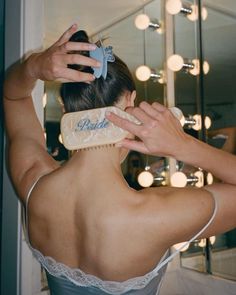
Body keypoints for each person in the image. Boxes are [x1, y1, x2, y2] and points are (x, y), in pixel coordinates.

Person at [3, 24, 236, 295]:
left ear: (66, 108)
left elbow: (13, 95)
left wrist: (32, 67)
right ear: (131, 103)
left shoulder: (33, 184)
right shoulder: (157, 216)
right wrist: (183, 145)